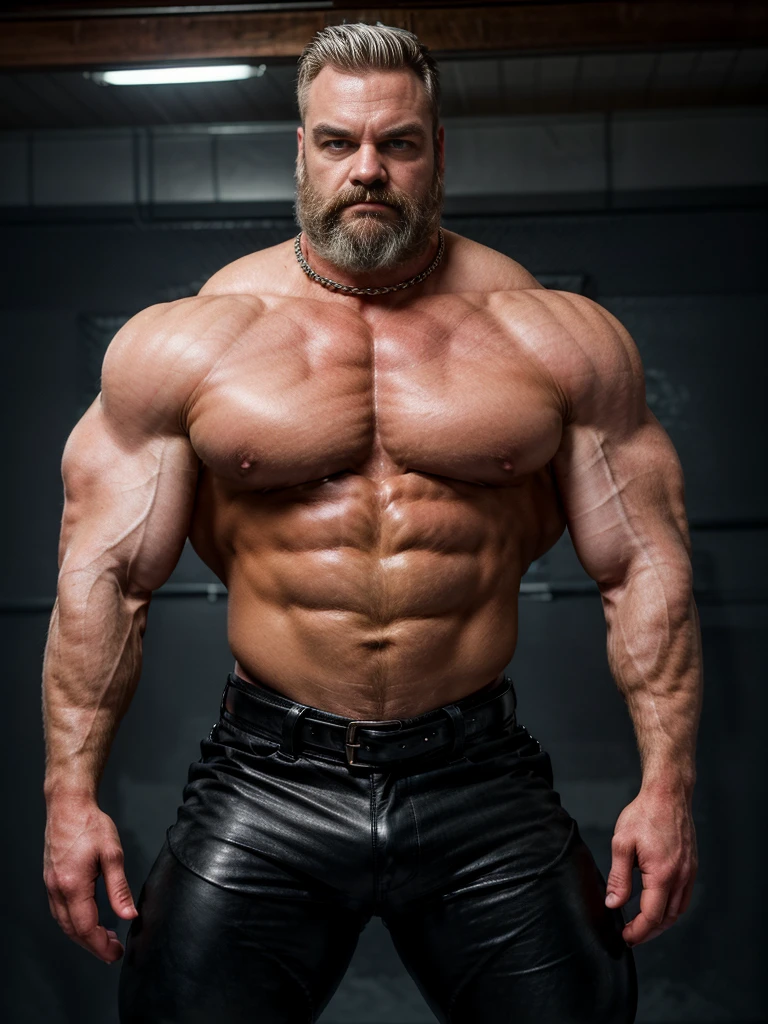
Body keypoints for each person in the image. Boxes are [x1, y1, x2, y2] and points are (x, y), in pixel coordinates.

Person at [41, 22, 701, 1024]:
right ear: (298, 149)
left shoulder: (552, 335)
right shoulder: (193, 340)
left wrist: (668, 786)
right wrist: (69, 795)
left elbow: (644, 570)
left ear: (438, 153)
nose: (368, 169)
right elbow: (106, 579)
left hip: (479, 777)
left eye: (398, 143)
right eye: (338, 141)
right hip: (267, 776)